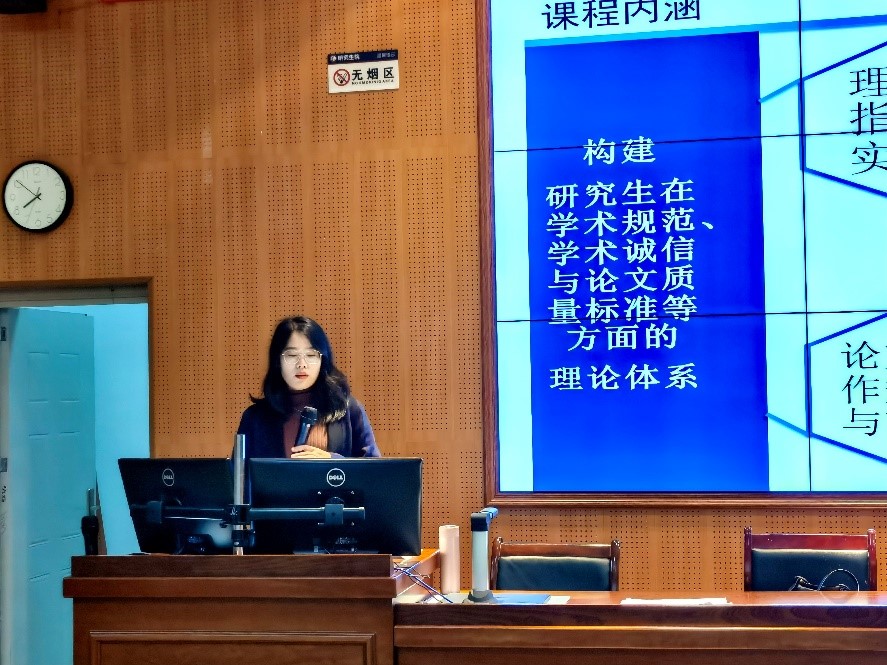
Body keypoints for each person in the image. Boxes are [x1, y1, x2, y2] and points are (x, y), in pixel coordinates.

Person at [237, 315, 380, 459]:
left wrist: (332, 461)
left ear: (322, 360)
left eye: (311, 355)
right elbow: (238, 472)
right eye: (292, 355)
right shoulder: (254, 418)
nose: (302, 364)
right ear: (277, 361)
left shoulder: (349, 410)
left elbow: (374, 468)